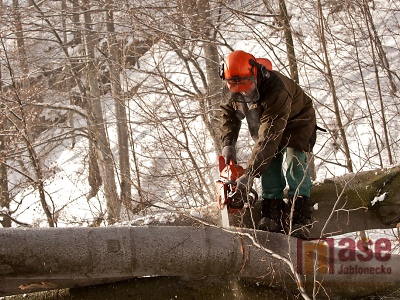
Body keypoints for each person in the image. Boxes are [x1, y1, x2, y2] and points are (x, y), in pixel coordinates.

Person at [219, 50, 317, 239]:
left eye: (247, 87)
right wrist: (228, 142)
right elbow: (228, 112)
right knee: (270, 163)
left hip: (296, 121)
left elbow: (270, 137)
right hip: (264, 121)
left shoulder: (276, 90)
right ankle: (272, 211)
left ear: (256, 74)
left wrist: (250, 175)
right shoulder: (232, 86)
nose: (244, 92)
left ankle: (301, 212)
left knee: (294, 158)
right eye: (238, 89)